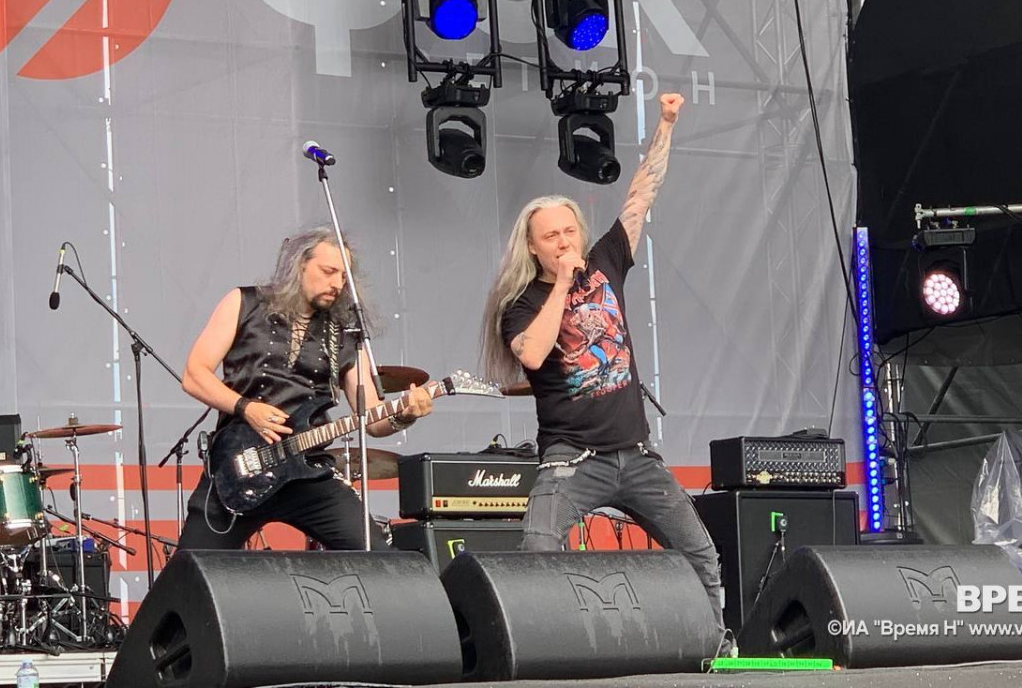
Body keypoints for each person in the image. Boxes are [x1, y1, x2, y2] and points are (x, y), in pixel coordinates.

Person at [480, 93, 726, 642]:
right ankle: (547, 647)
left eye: (569, 231)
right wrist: (563, 285)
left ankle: (715, 641)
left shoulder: (607, 261)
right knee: (539, 548)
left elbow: (641, 194)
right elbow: (532, 355)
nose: (564, 242)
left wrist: (666, 124)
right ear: (533, 247)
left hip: (635, 454)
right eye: (551, 236)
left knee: (699, 551)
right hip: (572, 458)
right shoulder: (521, 302)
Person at [177, 227, 433, 550]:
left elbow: (371, 417)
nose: (338, 284)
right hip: (240, 465)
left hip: (308, 469)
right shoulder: (243, 303)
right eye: (328, 271)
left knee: (377, 557)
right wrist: (246, 407)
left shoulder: (344, 333)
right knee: (188, 569)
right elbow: (194, 374)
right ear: (300, 265)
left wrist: (405, 414)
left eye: (344, 276)